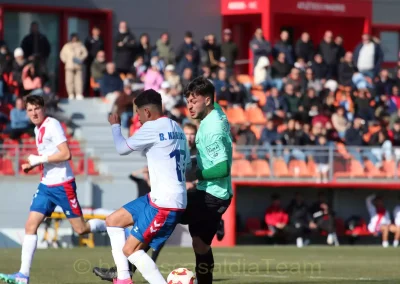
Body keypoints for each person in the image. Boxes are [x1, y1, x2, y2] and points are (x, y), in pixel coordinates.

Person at [0, 95, 106, 284]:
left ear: (43, 109)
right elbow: (49, 157)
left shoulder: (52, 124)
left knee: (81, 229)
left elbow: (66, 154)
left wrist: (39, 160)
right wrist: (32, 165)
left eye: (36, 109)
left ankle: (111, 225)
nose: (34, 113)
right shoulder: (37, 128)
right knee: (30, 226)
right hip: (46, 185)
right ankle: (23, 276)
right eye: (30, 110)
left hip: (63, 185)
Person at [103, 89, 191, 284]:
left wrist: (115, 126)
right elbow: (187, 165)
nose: (138, 118)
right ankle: (124, 278)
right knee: (113, 221)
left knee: (130, 249)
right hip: (160, 198)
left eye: (138, 113)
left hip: (165, 204)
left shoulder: (152, 127)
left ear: (148, 112)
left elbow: (121, 148)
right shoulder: (176, 127)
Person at [182, 77, 233, 284]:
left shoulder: (212, 129)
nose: (189, 106)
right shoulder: (216, 113)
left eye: (194, 101)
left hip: (211, 195)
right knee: (200, 244)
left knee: (164, 212)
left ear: (208, 100)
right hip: (217, 193)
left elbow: (223, 168)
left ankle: (125, 271)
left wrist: (195, 174)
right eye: (188, 101)